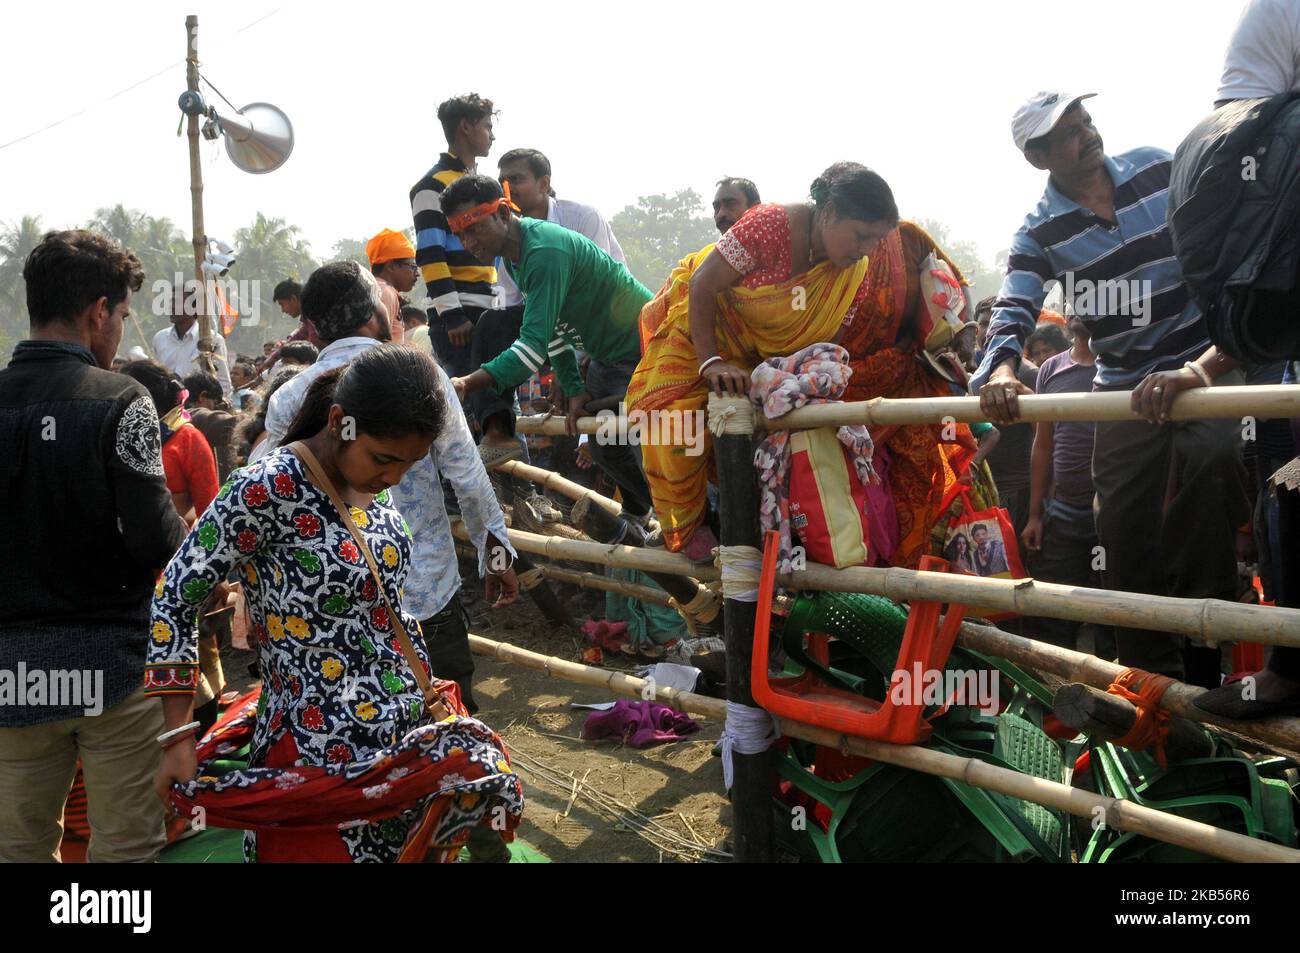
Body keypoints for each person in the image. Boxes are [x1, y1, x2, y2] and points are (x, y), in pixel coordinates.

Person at [148, 344, 520, 862]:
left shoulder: (373, 484)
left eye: (408, 465)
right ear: (340, 422)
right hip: (314, 750)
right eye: (385, 459)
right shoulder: (266, 489)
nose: (393, 477)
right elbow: (174, 595)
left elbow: (385, 605)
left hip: (403, 734)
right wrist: (177, 736)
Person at [973, 91, 1250, 681]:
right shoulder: (1040, 232)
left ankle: (1204, 643)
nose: (1089, 135)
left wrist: (1207, 361)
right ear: (1038, 157)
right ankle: (1149, 673)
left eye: (1087, 122)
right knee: (1119, 523)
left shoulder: (1158, 166)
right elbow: (1014, 305)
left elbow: (1230, 235)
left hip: (1204, 361)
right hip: (1126, 385)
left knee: (1213, 452)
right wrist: (1001, 368)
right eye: (1071, 132)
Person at [250, 261, 519, 713]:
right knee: (450, 731)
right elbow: (468, 476)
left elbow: (275, 504)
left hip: (333, 608)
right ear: (376, 315)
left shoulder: (290, 397)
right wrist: (496, 556)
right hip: (426, 591)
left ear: (312, 332)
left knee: (357, 738)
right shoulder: (424, 376)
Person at [0, 230, 187, 862]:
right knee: (126, 849)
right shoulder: (122, 401)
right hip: (112, 669)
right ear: (97, 313)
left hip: (13, 676)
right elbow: (157, 539)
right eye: (123, 315)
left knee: (17, 847)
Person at [626, 162, 898, 559]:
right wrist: (712, 363)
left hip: (764, 366)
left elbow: (826, 338)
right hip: (706, 336)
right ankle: (688, 530)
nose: (866, 249)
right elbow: (703, 282)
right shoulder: (770, 224)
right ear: (829, 212)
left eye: (875, 240)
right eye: (861, 235)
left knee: (763, 449)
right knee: (670, 423)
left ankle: (753, 558)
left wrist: (794, 383)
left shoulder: (855, 269)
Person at [442, 175, 658, 531]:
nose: (468, 242)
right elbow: (555, 330)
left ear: (501, 213)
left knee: (652, 447)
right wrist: (574, 388)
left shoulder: (543, 251)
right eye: (460, 235)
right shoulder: (514, 258)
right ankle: (644, 516)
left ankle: (688, 528)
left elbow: (531, 349)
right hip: (607, 357)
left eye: (474, 229)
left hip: (646, 350)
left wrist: (467, 383)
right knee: (606, 448)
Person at [837, 219, 987, 568]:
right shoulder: (821, 249)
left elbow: (955, 284)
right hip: (840, 395)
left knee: (917, 491)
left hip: (909, 386)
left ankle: (909, 594)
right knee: (844, 503)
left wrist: (961, 330)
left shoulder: (907, 237)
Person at [120, 359, 226, 733]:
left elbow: (212, 508)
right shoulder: (123, 436)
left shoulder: (187, 438)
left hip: (180, 566)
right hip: (132, 570)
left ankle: (202, 747)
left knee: (196, 668)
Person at [1019, 315, 1110, 652]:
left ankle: (1114, 695)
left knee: (1114, 612)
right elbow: (1042, 444)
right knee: (1053, 612)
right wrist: (1034, 516)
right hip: (1064, 509)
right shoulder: (1050, 369)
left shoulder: (1123, 366)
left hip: (1115, 509)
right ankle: (1053, 692)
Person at [410, 93, 498, 378]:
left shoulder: (487, 187)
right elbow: (430, 254)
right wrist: (452, 315)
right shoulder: (430, 185)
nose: (492, 136)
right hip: (460, 318)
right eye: (487, 126)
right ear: (465, 127)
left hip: (491, 310)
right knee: (469, 407)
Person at [152, 293, 233, 401]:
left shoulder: (213, 340)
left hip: (198, 407)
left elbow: (223, 381)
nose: (171, 307)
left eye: (177, 303)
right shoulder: (160, 338)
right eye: (172, 302)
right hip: (167, 407)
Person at [365, 228, 419, 346]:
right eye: (412, 267)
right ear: (391, 266)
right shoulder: (385, 292)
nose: (417, 273)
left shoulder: (376, 289)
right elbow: (379, 344)